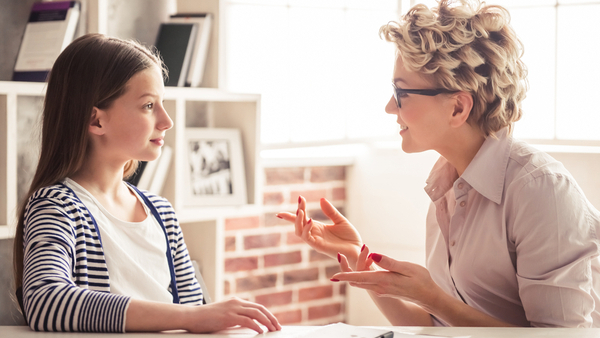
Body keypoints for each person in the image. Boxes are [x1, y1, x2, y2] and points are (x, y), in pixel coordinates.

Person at [278, 0, 600, 328]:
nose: (390, 107)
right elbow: (438, 326)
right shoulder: (446, 185)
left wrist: (433, 297)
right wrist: (359, 259)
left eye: (401, 93)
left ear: (458, 108)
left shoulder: (540, 190)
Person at [13, 33, 281, 333]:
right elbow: (46, 301)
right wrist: (190, 317)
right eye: (149, 106)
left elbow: (195, 315)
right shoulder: (56, 206)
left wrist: (200, 317)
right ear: (96, 120)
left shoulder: (161, 213)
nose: (167, 121)